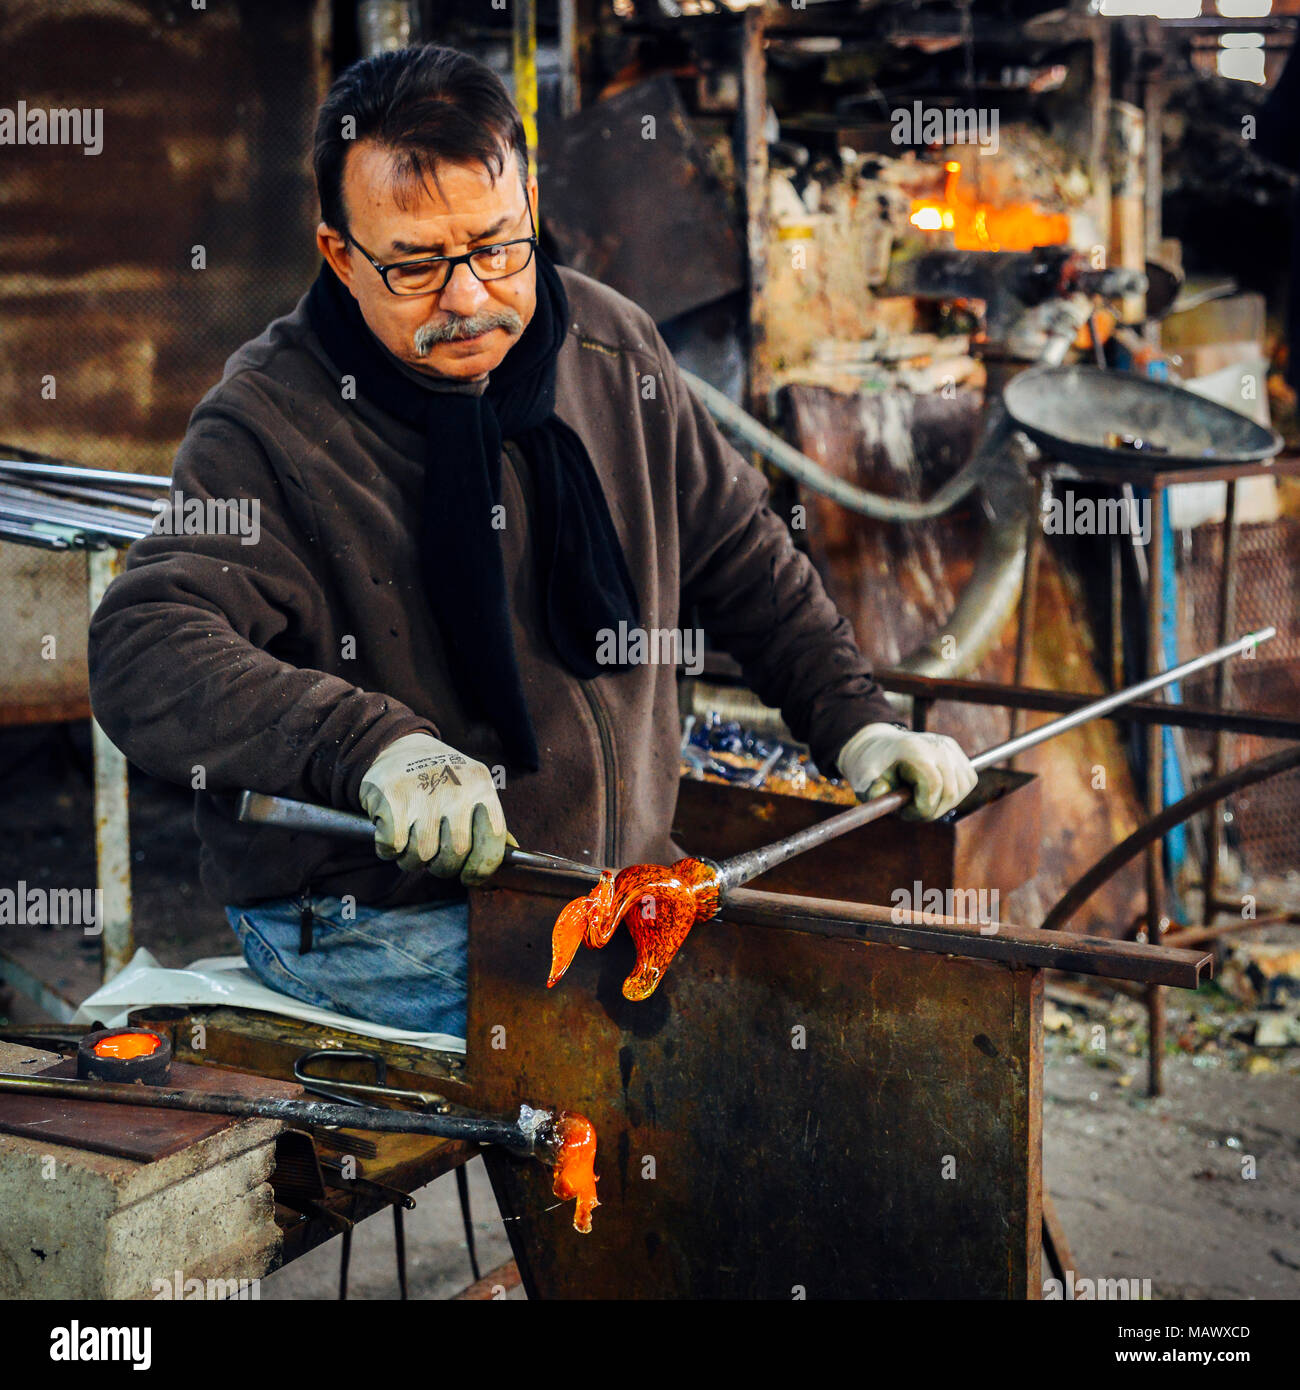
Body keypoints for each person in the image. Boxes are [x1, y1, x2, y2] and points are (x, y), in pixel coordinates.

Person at [88, 44, 976, 1036]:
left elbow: (737, 550)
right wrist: (373, 751)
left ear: (530, 200)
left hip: (594, 879)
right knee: (685, 1045)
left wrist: (857, 720)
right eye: (416, 264)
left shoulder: (609, 345)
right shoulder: (270, 424)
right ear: (339, 255)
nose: (468, 296)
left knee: (807, 1013)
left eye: (496, 246)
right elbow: (144, 648)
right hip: (367, 917)